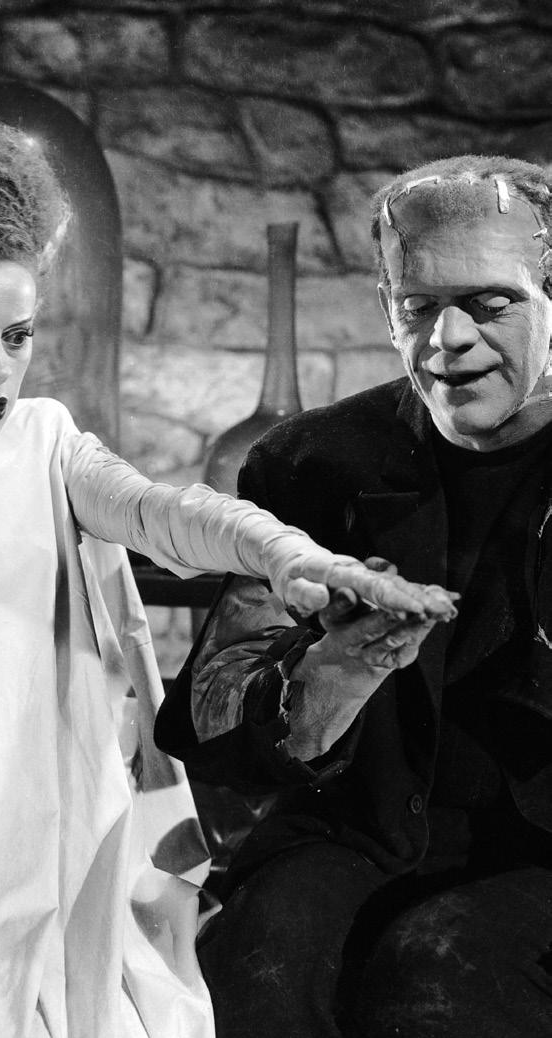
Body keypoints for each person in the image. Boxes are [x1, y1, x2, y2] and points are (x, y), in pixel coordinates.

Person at [0, 95, 454, 1038]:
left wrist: (298, 558)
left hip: (16, 838)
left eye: (17, 336)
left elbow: (175, 514)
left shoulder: (42, 446)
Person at [155, 154, 552, 1038]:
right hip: (352, 834)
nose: (447, 338)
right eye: (418, 306)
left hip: (539, 858)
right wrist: (329, 678)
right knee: (250, 971)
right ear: (385, 306)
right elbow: (210, 718)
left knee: (437, 976)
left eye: (490, 304)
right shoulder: (312, 463)